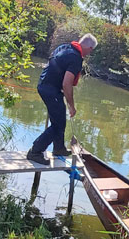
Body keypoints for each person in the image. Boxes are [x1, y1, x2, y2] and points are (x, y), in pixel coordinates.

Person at [26, 33, 97, 165]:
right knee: (58, 125)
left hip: (45, 85)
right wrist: (72, 105)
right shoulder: (76, 58)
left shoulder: (64, 47)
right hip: (51, 90)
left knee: (59, 119)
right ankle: (35, 152)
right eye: (91, 51)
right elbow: (67, 83)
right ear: (90, 48)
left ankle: (59, 148)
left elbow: (54, 66)